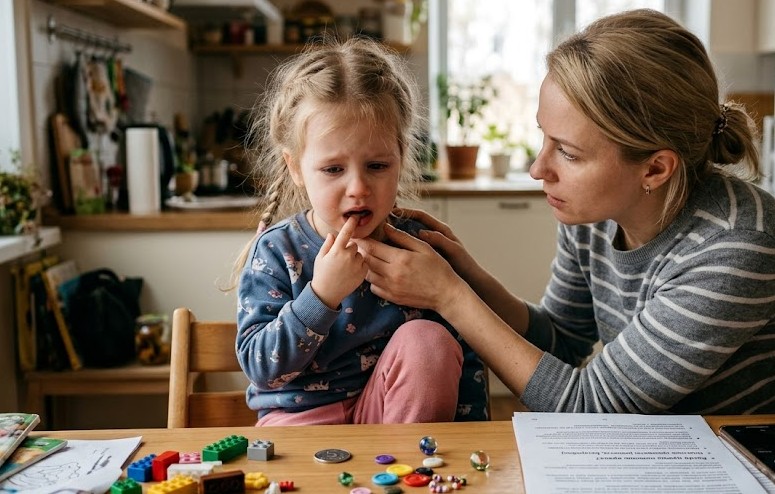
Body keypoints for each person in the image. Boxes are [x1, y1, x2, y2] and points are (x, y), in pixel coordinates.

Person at [354, 9, 775, 415]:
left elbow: (590, 406)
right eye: (544, 137)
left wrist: (449, 296)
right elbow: (562, 339)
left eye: (569, 154)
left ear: (655, 168)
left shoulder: (737, 244)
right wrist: (468, 277)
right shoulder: (597, 215)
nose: (539, 169)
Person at [233, 37, 488, 426]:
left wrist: (473, 439)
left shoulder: (417, 248)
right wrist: (321, 296)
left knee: (429, 340)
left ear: (401, 157)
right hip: (300, 424)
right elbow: (260, 366)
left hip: (396, 429)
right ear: (296, 168)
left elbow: (464, 350)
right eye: (334, 169)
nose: (358, 188)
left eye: (377, 166)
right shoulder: (276, 251)